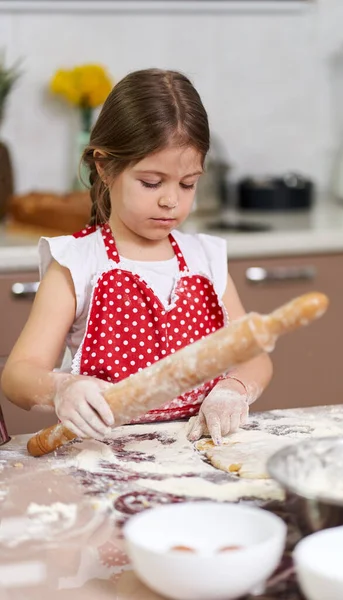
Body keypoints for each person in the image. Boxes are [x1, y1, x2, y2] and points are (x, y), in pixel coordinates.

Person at [2, 69, 272, 445]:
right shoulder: (78, 262)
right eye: (151, 182)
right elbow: (18, 376)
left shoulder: (204, 259)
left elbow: (255, 357)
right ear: (105, 166)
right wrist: (62, 388)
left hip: (195, 450)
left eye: (188, 183)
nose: (171, 200)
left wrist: (234, 388)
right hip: (103, 458)